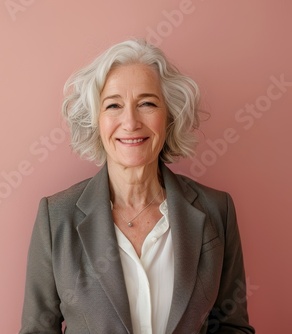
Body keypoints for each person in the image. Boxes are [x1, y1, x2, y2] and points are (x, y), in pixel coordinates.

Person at [19, 39, 254, 334]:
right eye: (114, 105)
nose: (130, 122)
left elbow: (232, 326)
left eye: (147, 103)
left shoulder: (218, 210)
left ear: (169, 116)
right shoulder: (56, 217)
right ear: (96, 120)